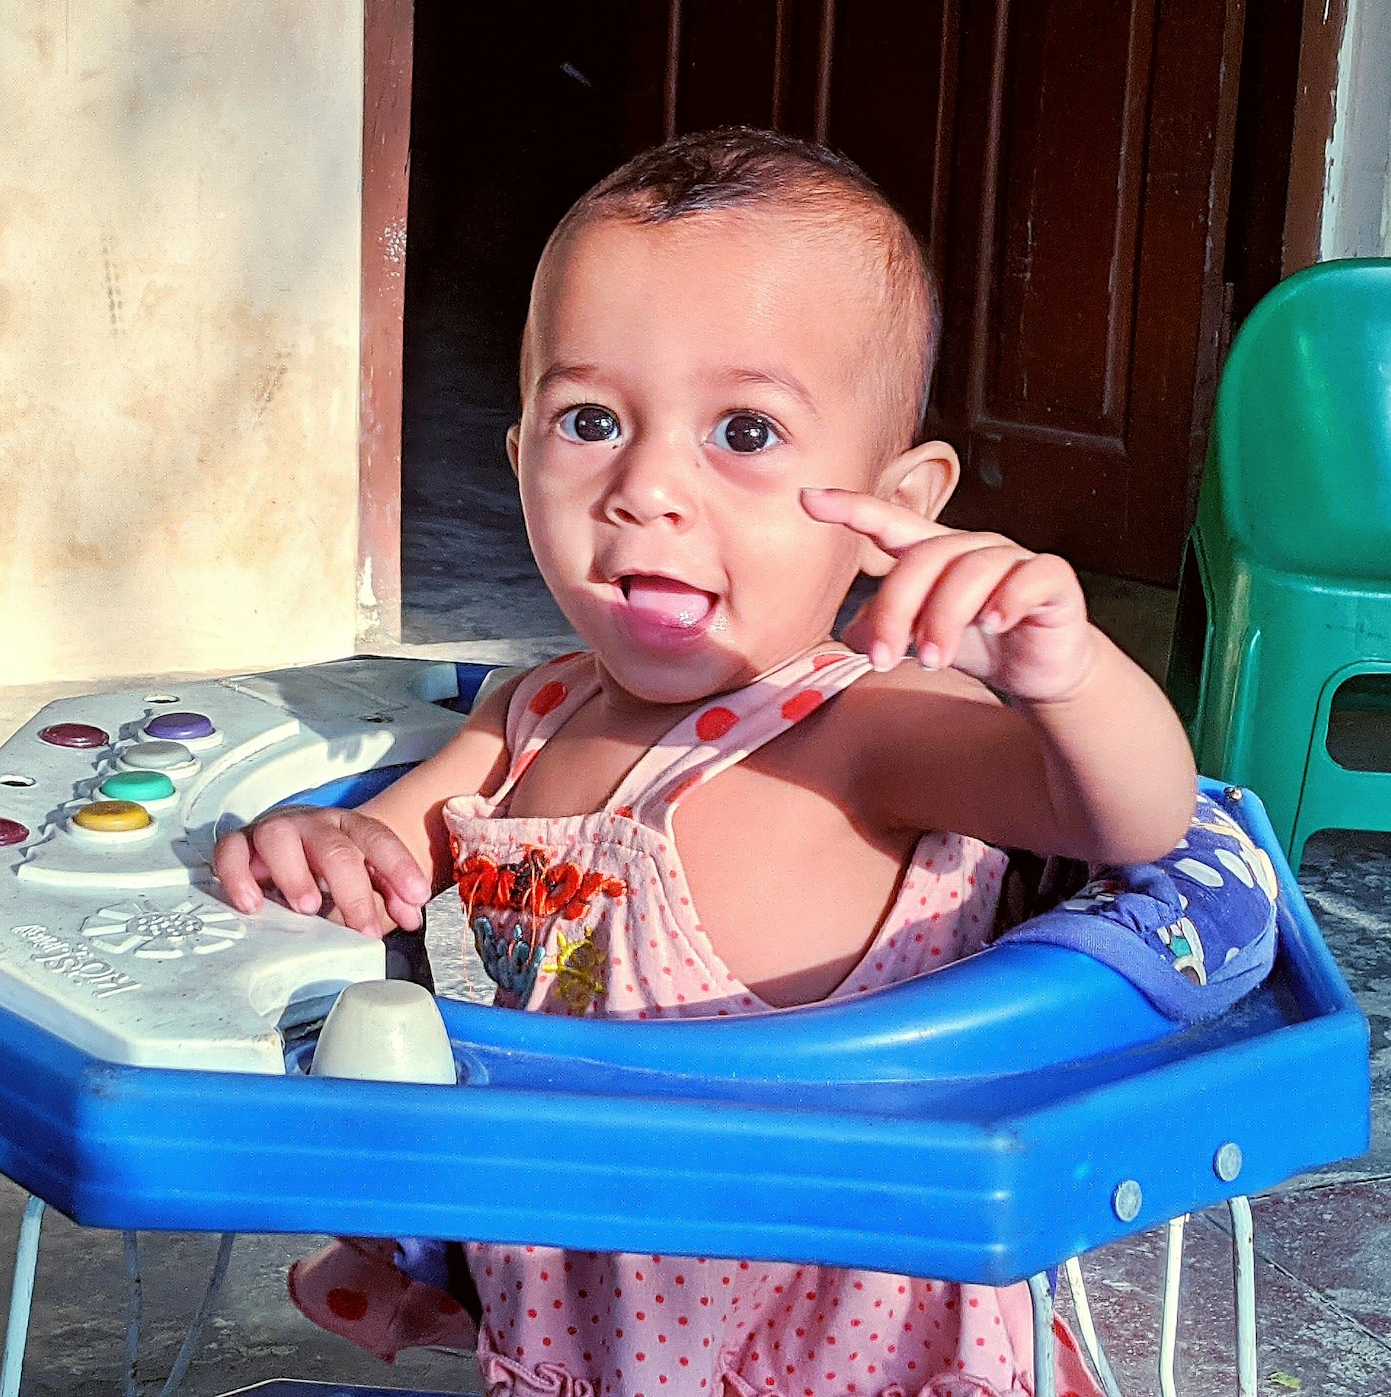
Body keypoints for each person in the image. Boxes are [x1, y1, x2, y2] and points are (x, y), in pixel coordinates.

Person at [214, 127, 1198, 1397]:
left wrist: (1071, 680)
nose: (647, 487)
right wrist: (327, 843)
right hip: (590, 1296)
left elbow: (1131, 814)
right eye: (589, 420)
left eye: (743, 429)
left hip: (838, 1336)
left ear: (897, 499)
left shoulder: (871, 728)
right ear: (519, 460)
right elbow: (390, 854)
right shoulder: (531, 713)